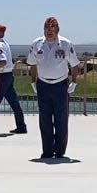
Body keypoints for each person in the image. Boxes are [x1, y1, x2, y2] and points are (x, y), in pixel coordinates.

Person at [26, 16, 80, 158]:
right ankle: (47, 150)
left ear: (57, 29)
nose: (49, 32)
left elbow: (75, 64)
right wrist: (33, 81)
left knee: (61, 119)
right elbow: (32, 63)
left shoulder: (66, 44)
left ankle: (60, 150)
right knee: (45, 120)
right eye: (46, 29)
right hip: (43, 84)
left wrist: (74, 81)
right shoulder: (36, 44)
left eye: (52, 29)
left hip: (60, 85)